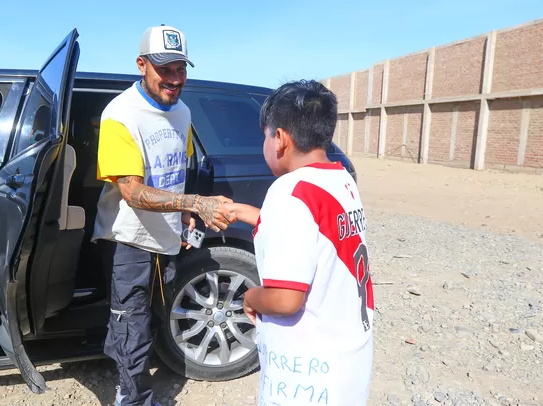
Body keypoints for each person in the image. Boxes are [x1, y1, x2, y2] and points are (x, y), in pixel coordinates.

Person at [91, 25, 236, 406]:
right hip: (130, 238)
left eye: (180, 69)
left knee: (154, 314)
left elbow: (177, 166)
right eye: (165, 69)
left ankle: (130, 373)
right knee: (131, 321)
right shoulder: (120, 115)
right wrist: (195, 204)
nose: (175, 79)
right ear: (142, 65)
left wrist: (185, 215)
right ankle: (132, 398)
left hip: (166, 235)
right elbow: (132, 191)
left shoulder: (183, 112)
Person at [226, 80, 374, 405]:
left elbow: (285, 299)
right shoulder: (338, 179)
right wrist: (242, 211)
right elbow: (313, 232)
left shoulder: (288, 191)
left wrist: (250, 297)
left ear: (279, 139)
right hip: (347, 363)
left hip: (306, 378)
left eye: (264, 135)